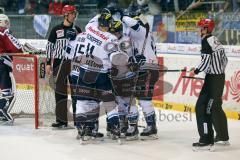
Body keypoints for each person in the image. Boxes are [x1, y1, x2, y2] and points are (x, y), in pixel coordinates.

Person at [66, 10, 121, 140]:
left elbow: (94, 19)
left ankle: (82, 127)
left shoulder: (89, 28)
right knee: (109, 102)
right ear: (108, 24)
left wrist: (103, 13)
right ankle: (115, 127)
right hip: (101, 74)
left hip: (85, 71)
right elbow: (114, 57)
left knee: (83, 102)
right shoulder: (111, 38)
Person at [190, 18, 229, 151]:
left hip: (213, 79)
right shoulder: (215, 40)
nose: (198, 30)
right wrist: (216, 72)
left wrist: (194, 71)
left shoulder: (206, 40)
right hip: (218, 77)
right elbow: (225, 60)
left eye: (200, 27)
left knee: (203, 108)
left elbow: (206, 62)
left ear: (206, 29)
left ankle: (206, 140)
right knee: (215, 107)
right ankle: (223, 137)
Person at [46, 5, 81, 129]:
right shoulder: (56, 29)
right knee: (60, 92)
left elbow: (82, 46)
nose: (74, 15)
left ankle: (78, 121)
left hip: (74, 63)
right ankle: (62, 121)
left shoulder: (77, 29)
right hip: (59, 63)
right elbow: (50, 47)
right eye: (71, 13)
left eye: (74, 13)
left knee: (76, 92)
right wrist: (49, 63)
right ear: (65, 14)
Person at [0, 14, 23, 125]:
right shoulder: (4, 31)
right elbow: (16, 47)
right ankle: (3, 114)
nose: (8, 24)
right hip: (2, 64)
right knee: (8, 92)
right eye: (6, 22)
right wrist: (22, 49)